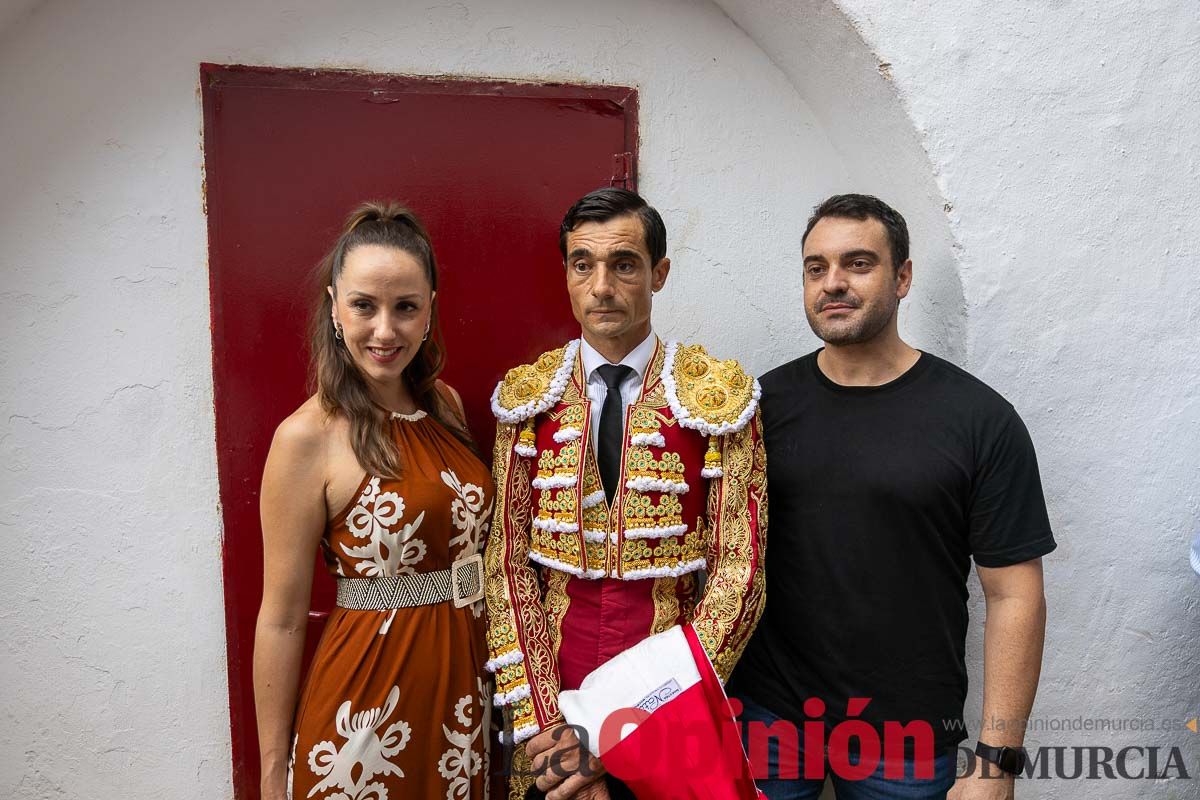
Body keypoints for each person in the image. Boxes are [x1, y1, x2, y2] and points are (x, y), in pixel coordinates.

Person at [728, 194, 1055, 800]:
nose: (833, 284)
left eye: (858, 263)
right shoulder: (758, 408)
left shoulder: (979, 419)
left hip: (907, 733)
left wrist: (997, 761)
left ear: (902, 277)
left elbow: (1014, 594)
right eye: (816, 267)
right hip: (769, 717)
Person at [484, 187, 768, 799]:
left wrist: (619, 727)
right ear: (566, 273)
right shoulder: (527, 400)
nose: (601, 286)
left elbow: (738, 576)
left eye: (624, 264)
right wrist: (550, 734)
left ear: (659, 274)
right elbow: (504, 567)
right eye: (582, 264)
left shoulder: (716, 399)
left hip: (670, 697)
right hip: (549, 699)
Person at [253, 203, 494, 800]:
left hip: (462, 703)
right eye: (364, 305)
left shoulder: (446, 406)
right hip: (363, 711)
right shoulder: (306, 437)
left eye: (405, 307)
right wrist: (270, 773)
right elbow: (281, 620)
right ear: (335, 306)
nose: (385, 331)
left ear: (430, 308)